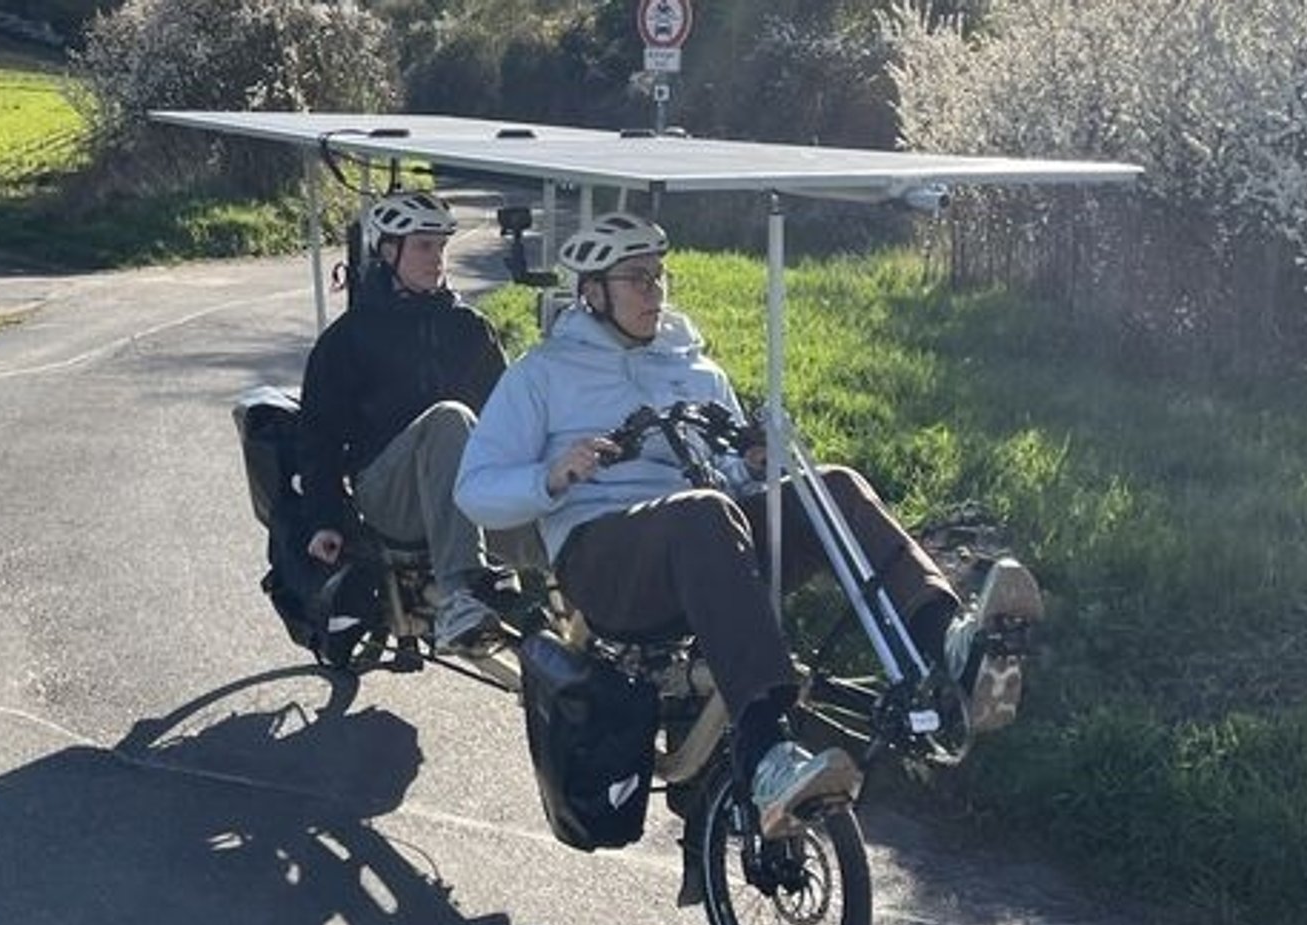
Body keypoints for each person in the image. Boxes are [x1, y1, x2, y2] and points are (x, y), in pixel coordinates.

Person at [456, 211, 1043, 836]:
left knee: (833, 487)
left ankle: (947, 642)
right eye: (636, 278)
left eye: (660, 276)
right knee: (701, 515)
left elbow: (729, 482)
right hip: (605, 560)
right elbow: (475, 489)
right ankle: (766, 751)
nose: (655, 291)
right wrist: (550, 475)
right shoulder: (542, 374)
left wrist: (757, 468)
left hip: (705, 543)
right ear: (592, 291)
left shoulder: (694, 367)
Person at [296, 190, 514, 656]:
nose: (436, 258)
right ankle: (459, 596)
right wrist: (324, 520)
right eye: (422, 246)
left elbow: (509, 414)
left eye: (440, 247)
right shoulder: (351, 337)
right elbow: (319, 436)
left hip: (461, 487)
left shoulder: (470, 327)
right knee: (450, 418)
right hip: (386, 492)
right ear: (387, 250)